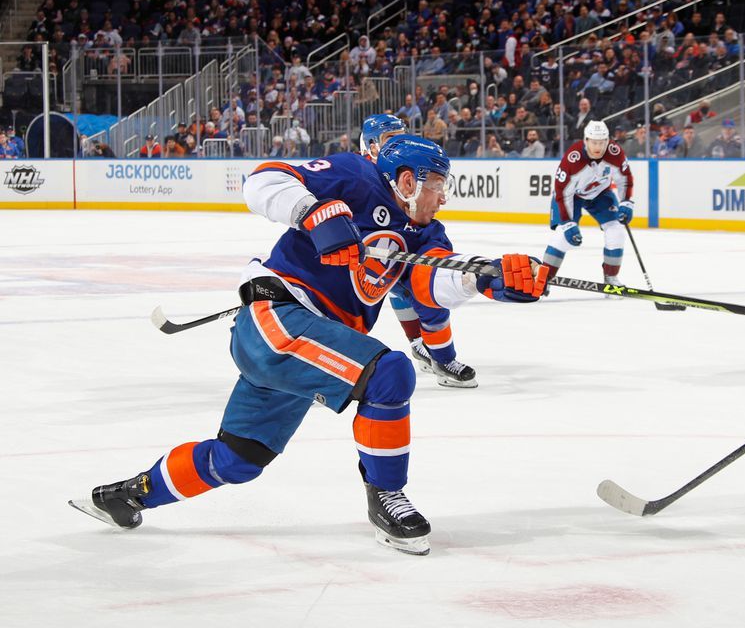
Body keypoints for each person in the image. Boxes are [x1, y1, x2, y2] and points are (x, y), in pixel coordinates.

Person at [69, 136, 549, 555]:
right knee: (390, 373)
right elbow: (262, 180)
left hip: (308, 348)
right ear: (406, 180)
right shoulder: (357, 175)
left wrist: (484, 280)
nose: (443, 197)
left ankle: (129, 495)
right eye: (437, 185)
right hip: (277, 319)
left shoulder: (425, 234)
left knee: (239, 460)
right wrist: (313, 211)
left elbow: (430, 286)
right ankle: (387, 497)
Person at [362, 114, 484, 389]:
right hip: (358, 259)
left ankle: (435, 353)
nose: (399, 143)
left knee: (424, 285)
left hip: (398, 246)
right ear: (370, 145)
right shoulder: (359, 176)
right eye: (390, 139)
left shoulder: (404, 174)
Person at [541, 120, 634, 284]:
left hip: (600, 194)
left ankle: (611, 278)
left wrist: (626, 202)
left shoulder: (614, 152)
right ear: (586, 141)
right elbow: (563, 192)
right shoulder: (572, 158)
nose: (598, 147)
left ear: (608, 141)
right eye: (594, 143)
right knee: (562, 236)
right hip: (571, 197)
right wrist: (568, 223)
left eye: (602, 142)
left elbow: (624, 178)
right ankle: (543, 280)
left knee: (616, 230)